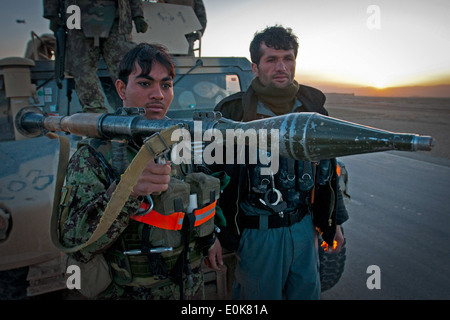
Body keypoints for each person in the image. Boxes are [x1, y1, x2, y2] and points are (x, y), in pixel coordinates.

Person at [59, 43, 223, 300]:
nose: (158, 94)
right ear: (122, 89)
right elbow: (74, 242)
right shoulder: (94, 155)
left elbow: (192, 202)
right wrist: (128, 191)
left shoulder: (179, 142)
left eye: (166, 85)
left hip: (188, 287)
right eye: (146, 84)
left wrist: (210, 239)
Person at [214, 25, 349, 300]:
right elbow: (211, 176)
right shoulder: (232, 113)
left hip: (304, 228)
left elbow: (327, 170)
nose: (282, 67)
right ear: (255, 67)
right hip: (256, 234)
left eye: (288, 58)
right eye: (271, 59)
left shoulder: (313, 109)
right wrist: (210, 234)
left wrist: (333, 221)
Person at [43, 0, 148, 113]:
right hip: (76, 16)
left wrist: (138, 14)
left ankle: (135, 107)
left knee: (126, 66)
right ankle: (94, 109)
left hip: (116, 17)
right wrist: (52, 13)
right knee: (82, 67)